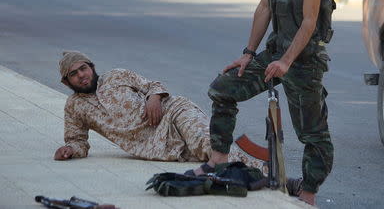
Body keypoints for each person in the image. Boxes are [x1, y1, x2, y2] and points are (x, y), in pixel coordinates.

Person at [188, 0, 336, 206]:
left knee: (313, 134)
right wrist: (249, 52)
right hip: (275, 52)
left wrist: (286, 61)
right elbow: (264, 8)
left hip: (304, 61)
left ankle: (307, 193)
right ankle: (218, 162)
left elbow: (309, 22)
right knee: (223, 88)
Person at [54, 50, 262, 170]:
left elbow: (152, 85)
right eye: (74, 74)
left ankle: (272, 177)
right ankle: (256, 174)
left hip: (174, 112)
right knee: (205, 156)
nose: (82, 75)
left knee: (207, 143)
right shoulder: (75, 107)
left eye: (84, 68)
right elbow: (77, 140)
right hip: (158, 146)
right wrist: (70, 150)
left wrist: (154, 98)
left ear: (91, 67)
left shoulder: (116, 75)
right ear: (66, 82)